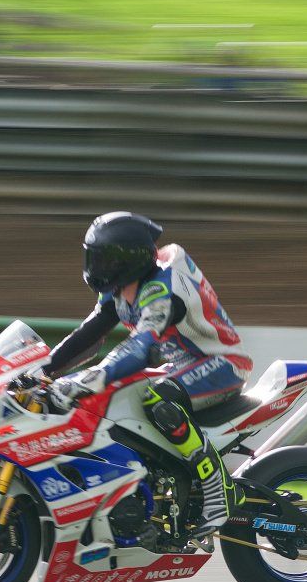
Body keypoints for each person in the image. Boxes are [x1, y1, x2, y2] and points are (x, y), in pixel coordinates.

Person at [41, 212, 253, 534]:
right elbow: (90, 334)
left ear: (130, 260)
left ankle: (218, 487)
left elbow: (140, 348)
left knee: (158, 399)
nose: (97, 266)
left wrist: (91, 377)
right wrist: (45, 369)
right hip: (180, 366)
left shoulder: (161, 288)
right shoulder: (119, 287)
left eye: (105, 259)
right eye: (94, 257)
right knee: (111, 397)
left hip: (223, 363)